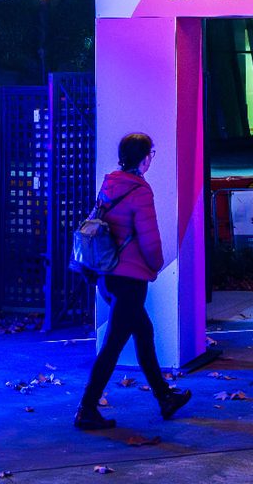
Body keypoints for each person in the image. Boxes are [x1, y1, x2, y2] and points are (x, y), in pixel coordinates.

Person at [74, 132, 193, 431]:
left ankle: (165, 397)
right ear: (144, 158)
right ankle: (87, 408)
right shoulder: (140, 190)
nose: (152, 158)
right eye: (152, 153)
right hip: (130, 277)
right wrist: (155, 266)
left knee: (144, 331)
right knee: (113, 344)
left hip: (108, 274)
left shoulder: (110, 183)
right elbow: (149, 238)